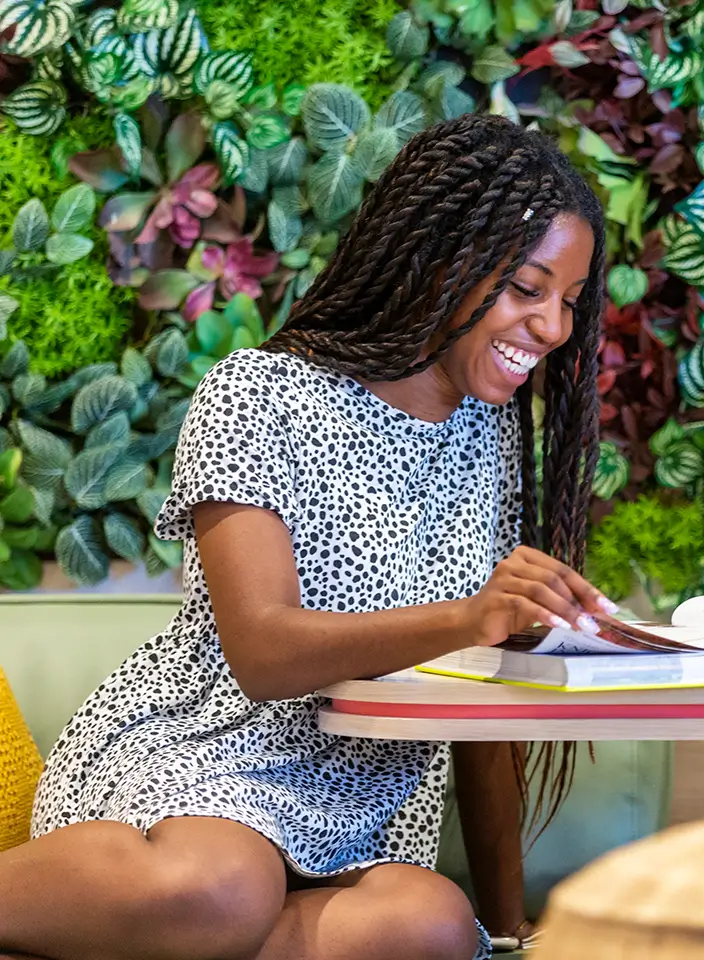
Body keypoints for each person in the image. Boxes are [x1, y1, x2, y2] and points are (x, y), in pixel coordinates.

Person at [0, 113, 614, 960]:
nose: (552, 328)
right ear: (441, 260)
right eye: (527, 288)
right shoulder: (257, 395)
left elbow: (482, 699)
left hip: (358, 817)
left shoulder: (490, 434)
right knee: (223, 882)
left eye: (570, 302)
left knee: (434, 926)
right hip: (198, 767)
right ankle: (146, 913)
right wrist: (469, 617)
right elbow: (263, 650)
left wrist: (511, 931)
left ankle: (143, 940)